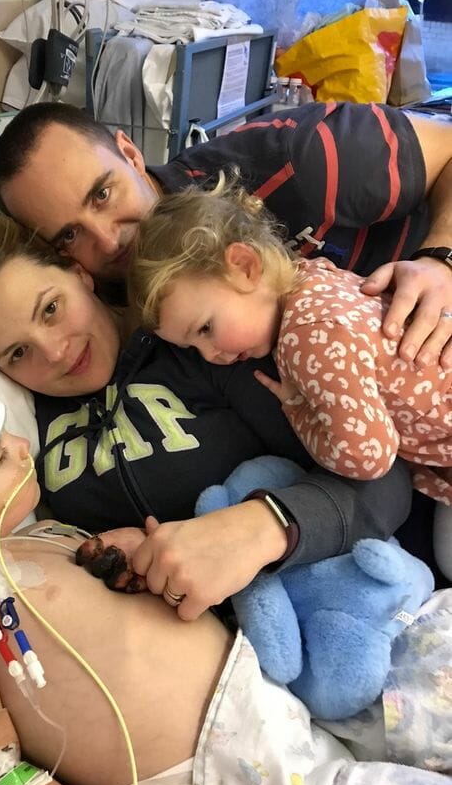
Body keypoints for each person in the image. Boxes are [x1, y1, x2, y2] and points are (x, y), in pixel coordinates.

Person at [0, 347, 451, 785]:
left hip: (264, 683)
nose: (24, 445)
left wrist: (133, 555)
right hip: (202, 767)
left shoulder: (47, 533)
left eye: (6, 430)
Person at [0, 214, 423, 618]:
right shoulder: (30, 433)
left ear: (79, 274)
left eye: (50, 309)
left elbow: (383, 481)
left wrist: (262, 527)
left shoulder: (206, 345)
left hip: (330, 598)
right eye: (17, 353)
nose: (53, 352)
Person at [0, 101, 451, 370]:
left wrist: (439, 260)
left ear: (130, 152)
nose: (109, 243)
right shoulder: (97, 293)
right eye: (70, 234)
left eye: (103, 194)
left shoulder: (299, 160)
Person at [127, 181, 452, 574]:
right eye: (194, 348)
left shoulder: (305, 338)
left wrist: (299, 411)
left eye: (206, 329)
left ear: (245, 266)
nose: (211, 355)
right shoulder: (315, 274)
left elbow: (367, 457)